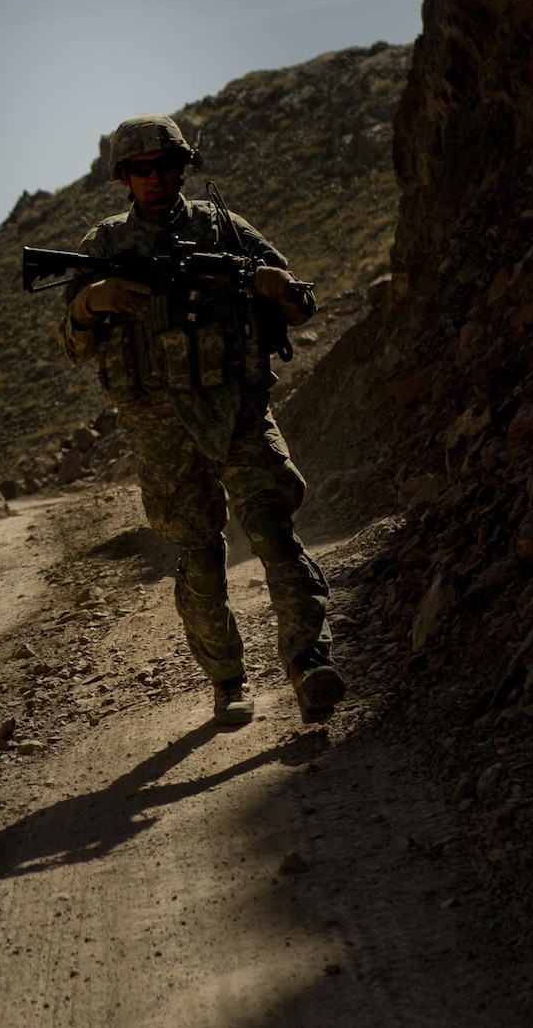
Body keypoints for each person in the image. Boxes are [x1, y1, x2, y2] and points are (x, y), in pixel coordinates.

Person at [55, 115, 345, 724]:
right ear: (124, 178)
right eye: (142, 169)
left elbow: (299, 305)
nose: (155, 178)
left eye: (165, 165)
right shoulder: (105, 245)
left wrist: (279, 288)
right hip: (162, 427)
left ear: (182, 167)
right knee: (202, 556)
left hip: (237, 410)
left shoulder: (222, 228)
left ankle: (308, 662)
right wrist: (90, 301)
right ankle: (227, 679)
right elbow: (72, 344)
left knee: (271, 531)